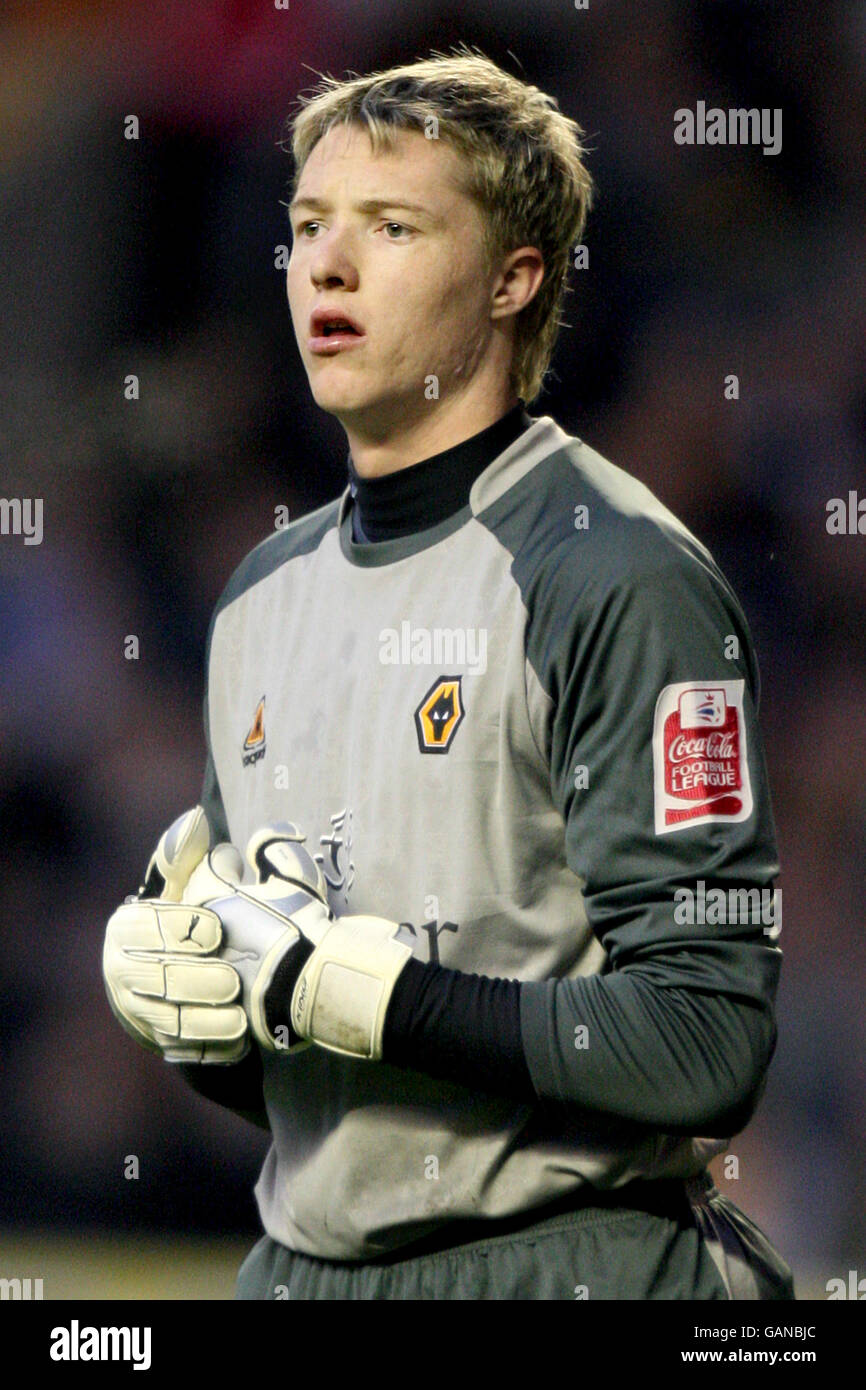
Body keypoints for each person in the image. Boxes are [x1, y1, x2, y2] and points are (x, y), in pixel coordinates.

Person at [103, 49, 795, 1301]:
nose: (326, 262)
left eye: (391, 225)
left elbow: (707, 1042)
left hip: (566, 1265)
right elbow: (308, 1050)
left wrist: (394, 1001)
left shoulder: (613, 574)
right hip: (303, 1270)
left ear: (511, 280)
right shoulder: (260, 595)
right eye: (309, 225)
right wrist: (195, 1008)